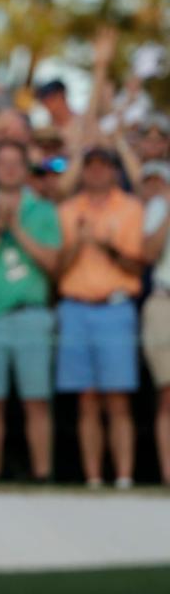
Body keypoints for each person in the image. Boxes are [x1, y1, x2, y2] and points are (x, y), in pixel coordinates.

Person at [0, 141, 61, 481]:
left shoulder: (44, 210)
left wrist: (17, 227)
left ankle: (42, 474)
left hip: (32, 315)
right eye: (1, 163)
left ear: (24, 169)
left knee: (37, 401)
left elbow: (52, 262)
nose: (8, 169)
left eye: (14, 163)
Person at [56, 147, 144, 488]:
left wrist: (106, 246)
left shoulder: (131, 208)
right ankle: (93, 477)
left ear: (114, 171)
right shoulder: (67, 210)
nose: (96, 172)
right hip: (75, 307)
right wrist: (79, 243)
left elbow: (137, 265)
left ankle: (123, 476)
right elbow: (57, 268)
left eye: (103, 166)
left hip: (115, 307)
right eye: (90, 166)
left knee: (118, 398)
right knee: (87, 398)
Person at [140, 160, 170, 485]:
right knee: (168, 393)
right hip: (165, 301)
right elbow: (149, 253)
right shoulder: (160, 205)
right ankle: (168, 473)